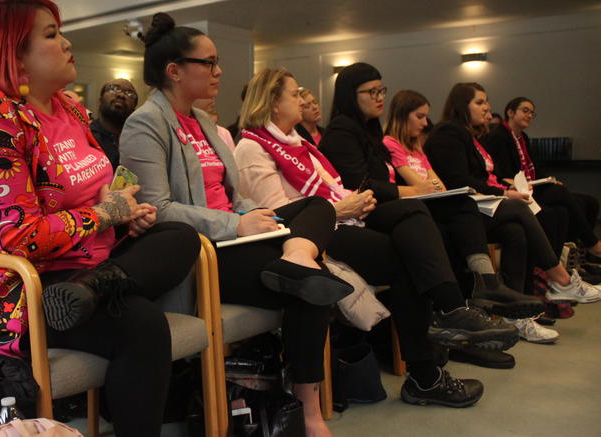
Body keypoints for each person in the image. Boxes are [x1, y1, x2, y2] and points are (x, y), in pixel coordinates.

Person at [0, 0, 199, 437]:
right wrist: (103, 215)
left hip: (88, 266)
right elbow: (18, 237)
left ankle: (93, 291)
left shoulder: (71, 109)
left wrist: (125, 214)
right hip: (21, 282)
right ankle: (90, 296)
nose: (68, 42)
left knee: (179, 236)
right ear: (14, 56)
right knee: (143, 325)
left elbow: (95, 196)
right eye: (52, 35)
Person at [120, 13, 356, 437]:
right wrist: (238, 223)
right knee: (312, 287)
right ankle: (309, 409)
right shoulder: (145, 124)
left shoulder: (206, 122)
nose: (219, 71)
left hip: (240, 235)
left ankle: (297, 254)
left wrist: (251, 214)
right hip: (204, 251)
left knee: (318, 205)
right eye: (208, 63)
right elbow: (158, 209)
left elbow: (235, 193)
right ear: (175, 70)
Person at [234, 67, 521, 402]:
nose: (302, 98)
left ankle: (449, 315)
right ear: (272, 103)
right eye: (295, 93)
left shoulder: (301, 145)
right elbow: (279, 217)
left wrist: (356, 202)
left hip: (338, 220)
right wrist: (341, 209)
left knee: (411, 214)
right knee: (408, 255)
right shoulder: (252, 149)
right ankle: (430, 364)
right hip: (308, 237)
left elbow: (334, 190)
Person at [318, 64, 543, 337]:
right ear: (349, 94)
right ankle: (454, 309)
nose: (380, 97)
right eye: (372, 91)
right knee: (430, 216)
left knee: (464, 207)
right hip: (363, 209)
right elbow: (358, 183)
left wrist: (420, 191)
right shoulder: (342, 130)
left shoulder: (369, 131)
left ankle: (483, 286)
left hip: (385, 204)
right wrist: (413, 192)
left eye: (382, 90)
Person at [424, 83, 601, 337]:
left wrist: (502, 190)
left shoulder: (467, 135)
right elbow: (457, 179)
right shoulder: (448, 133)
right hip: (461, 210)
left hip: (477, 205)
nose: (486, 107)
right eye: (479, 102)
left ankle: (518, 315)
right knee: (519, 207)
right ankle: (560, 279)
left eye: (486, 102)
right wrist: (503, 193)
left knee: (515, 230)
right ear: (462, 105)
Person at [482, 96, 601, 260]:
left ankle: (578, 259)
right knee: (559, 200)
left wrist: (549, 180)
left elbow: (535, 168)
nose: (529, 115)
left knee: (588, 202)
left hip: (530, 185)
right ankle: (592, 244)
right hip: (517, 189)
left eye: (532, 113)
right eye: (525, 111)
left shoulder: (522, 137)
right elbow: (501, 173)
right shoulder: (498, 137)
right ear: (510, 112)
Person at [89, 79, 138, 168]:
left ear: (134, 109)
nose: (121, 95)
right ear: (100, 100)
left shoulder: (138, 141)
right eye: (114, 89)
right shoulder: (86, 136)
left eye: (129, 93)